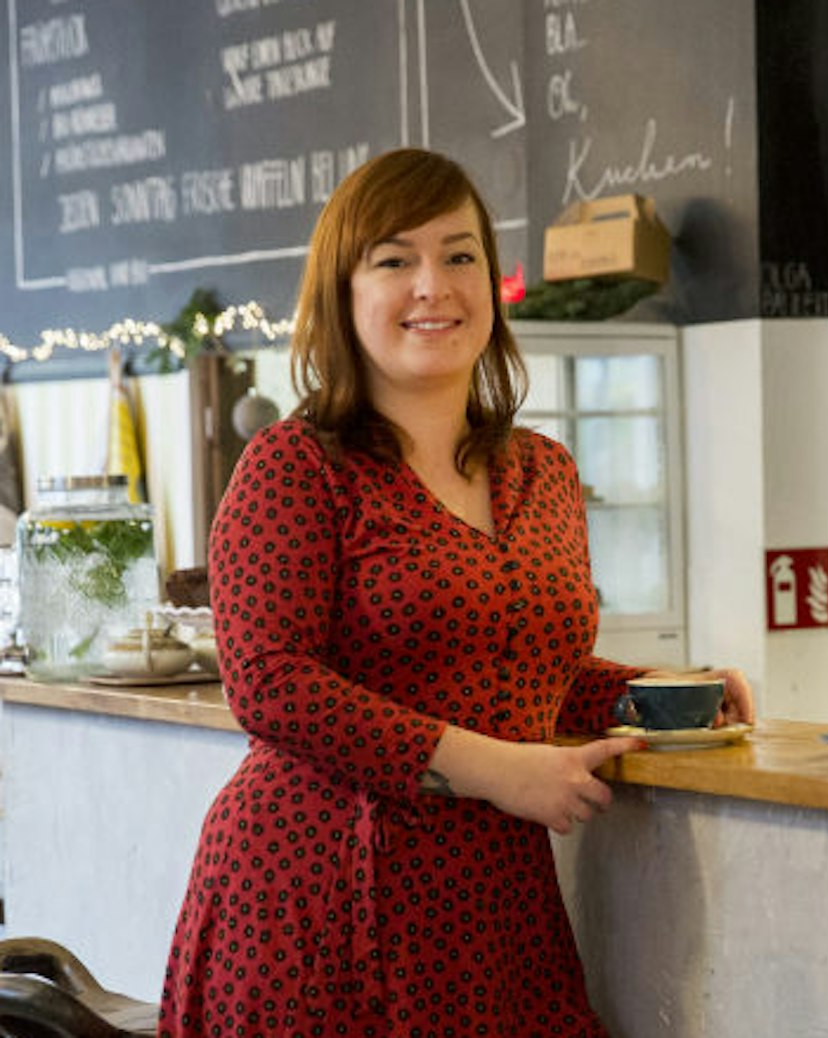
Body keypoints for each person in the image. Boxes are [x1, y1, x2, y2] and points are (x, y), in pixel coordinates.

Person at [159, 148, 753, 1037]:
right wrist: (500, 771)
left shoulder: (544, 471)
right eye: (395, 260)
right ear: (344, 294)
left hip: (486, 900)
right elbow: (268, 682)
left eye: (460, 254)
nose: (433, 285)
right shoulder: (294, 464)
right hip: (318, 894)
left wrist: (656, 694)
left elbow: (524, 663)